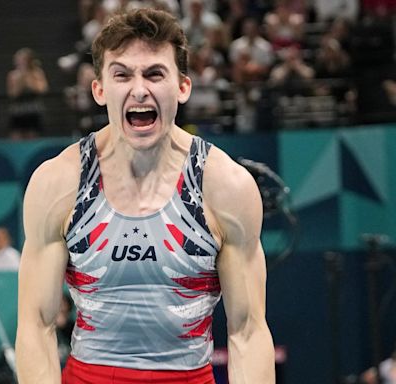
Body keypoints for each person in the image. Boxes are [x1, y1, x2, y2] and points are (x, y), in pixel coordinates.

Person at [16, 7, 275, 384]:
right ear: (99, 89)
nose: (139, 89)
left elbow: (248, 333)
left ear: (183, 86)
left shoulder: (225, 187)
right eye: (122, 74)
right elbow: (35, 326)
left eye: (155, 73)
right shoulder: (59, 184)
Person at [6, 47, 49, 140]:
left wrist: (28, 78)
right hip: (18, 110)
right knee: (16, 136)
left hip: (33, 109)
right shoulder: (13, 75)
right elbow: (13, 94)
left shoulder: (37, 73)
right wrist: (21, 79)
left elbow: (42, 89)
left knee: (33, 136)